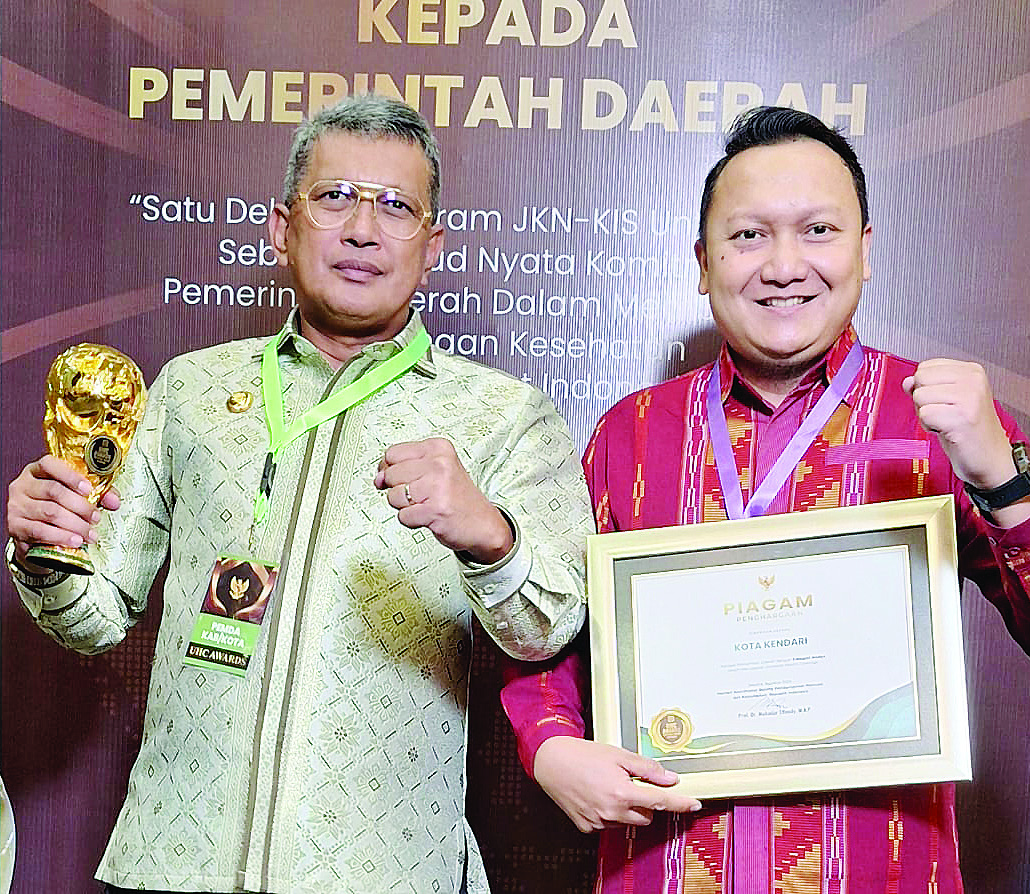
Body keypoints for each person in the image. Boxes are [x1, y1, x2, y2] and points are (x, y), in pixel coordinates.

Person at [6, 94, 593, 894]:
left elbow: (547, 629)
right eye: (335, 197)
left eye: (395, 207)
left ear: (432, 247)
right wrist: (49, 551)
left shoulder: (503, 415)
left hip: (385, 874)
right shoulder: (191, 390)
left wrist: (493, 539)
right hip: (178, 866)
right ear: (283, 227)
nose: (362, 228)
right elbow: (97, 618)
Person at [501, 106, 1030, 893]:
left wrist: (1004, 483)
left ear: (866, 249)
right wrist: (548, 746)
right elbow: (550, 631)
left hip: (881, 871)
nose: (784, 266)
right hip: (665, 867)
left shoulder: (948, 421)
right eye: (749, 236)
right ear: (702, 261)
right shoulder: (630, 434)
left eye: (819, 230)